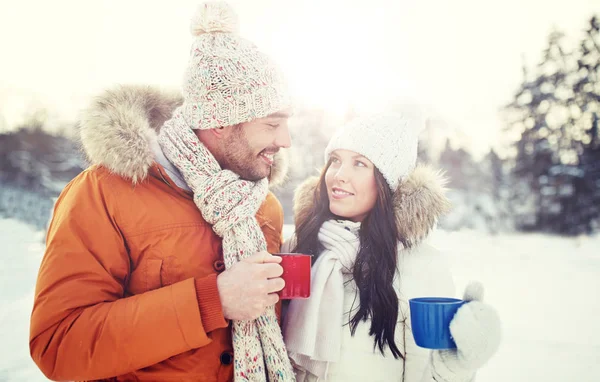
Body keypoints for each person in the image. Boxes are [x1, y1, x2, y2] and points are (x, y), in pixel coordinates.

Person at [29, 2, 296, 381]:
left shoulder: (262, 205)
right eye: (272, 124)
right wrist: (212, 301)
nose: (285, 140)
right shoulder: (103, 194)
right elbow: (59, 344)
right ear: (218, 123)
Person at [282, 113, 502, 381]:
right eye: (335, 160)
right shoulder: (297, 246)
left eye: (360, 163)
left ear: (388, 183)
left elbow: (425, 373)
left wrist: (457, 365)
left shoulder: (421, 265)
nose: (339, 175)